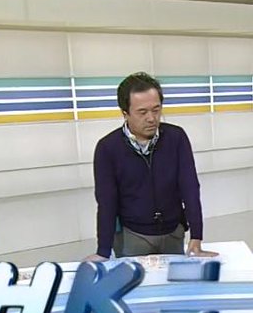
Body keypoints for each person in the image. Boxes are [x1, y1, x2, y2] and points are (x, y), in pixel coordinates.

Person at [85, 72, 214, 261]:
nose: (152, 118)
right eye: (142, 112)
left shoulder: (176, 138)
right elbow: (106, 202)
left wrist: (196, 235)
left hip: (173, 232)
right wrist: (103, 251)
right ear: (125, 113)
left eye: (156, 110)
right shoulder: (108, 148)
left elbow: (190, 187)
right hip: (132, 236)